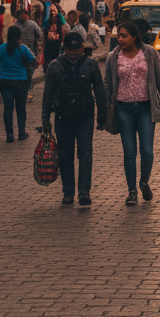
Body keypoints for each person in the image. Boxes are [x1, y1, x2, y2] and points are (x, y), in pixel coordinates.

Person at [104, 21, 160, 206]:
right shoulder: (113, 56)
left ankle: (144, 181)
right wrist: (103, 109)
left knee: (147, 151)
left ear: (134, 37)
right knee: (129, 152)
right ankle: (132, 190)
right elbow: (107, 84)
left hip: (145, 108)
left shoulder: (149, 53)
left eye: (124, 36)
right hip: (123, 109)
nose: (120, 39)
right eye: (119, 35)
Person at [41, 31, 107, 207]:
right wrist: (102, 115)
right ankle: (83, 193)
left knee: (65, 156)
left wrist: (45, 119)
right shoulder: (91, 64)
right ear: (82, 46)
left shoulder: (55, 66)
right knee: (85, 154)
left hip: (63, 117)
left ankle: (68, 194)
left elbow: (47, 95)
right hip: (84, 116)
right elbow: (100, 92)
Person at [0, 24, 37, 142]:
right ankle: (21, 132)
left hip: (5, 82)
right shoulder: (24, 49)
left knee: (8, 108)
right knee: (21, 108)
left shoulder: (1, 48)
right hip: (20, 82)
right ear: (19, 36)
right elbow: (34, 62)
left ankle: (9, 134)